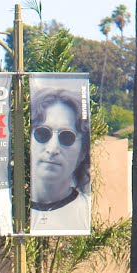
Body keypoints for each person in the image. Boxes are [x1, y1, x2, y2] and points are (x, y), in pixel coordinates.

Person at [29, 86, 91, 235]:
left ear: (83, 152)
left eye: (67, 137)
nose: (52, 148)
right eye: (42, 133)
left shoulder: (87, 211)